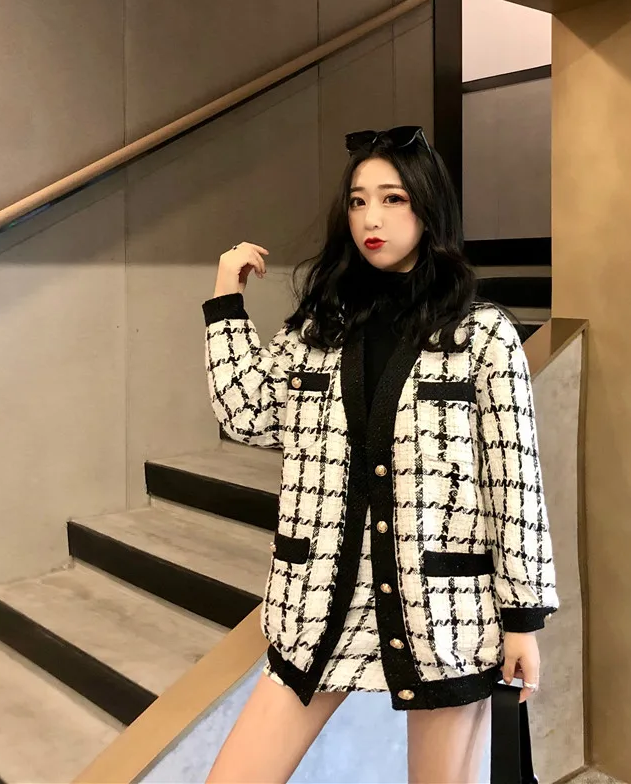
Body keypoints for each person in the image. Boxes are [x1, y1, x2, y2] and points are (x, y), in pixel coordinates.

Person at [201, 125, 559, 783]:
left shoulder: (483, 334)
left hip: (443, 607)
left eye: (393, 198)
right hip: (319, 601)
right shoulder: (317, 330)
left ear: (428, 207)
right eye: (359, 201)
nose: (371, 218)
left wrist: (522, 620)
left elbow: (515, 483)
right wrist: (227, 298)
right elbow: (247, 415)